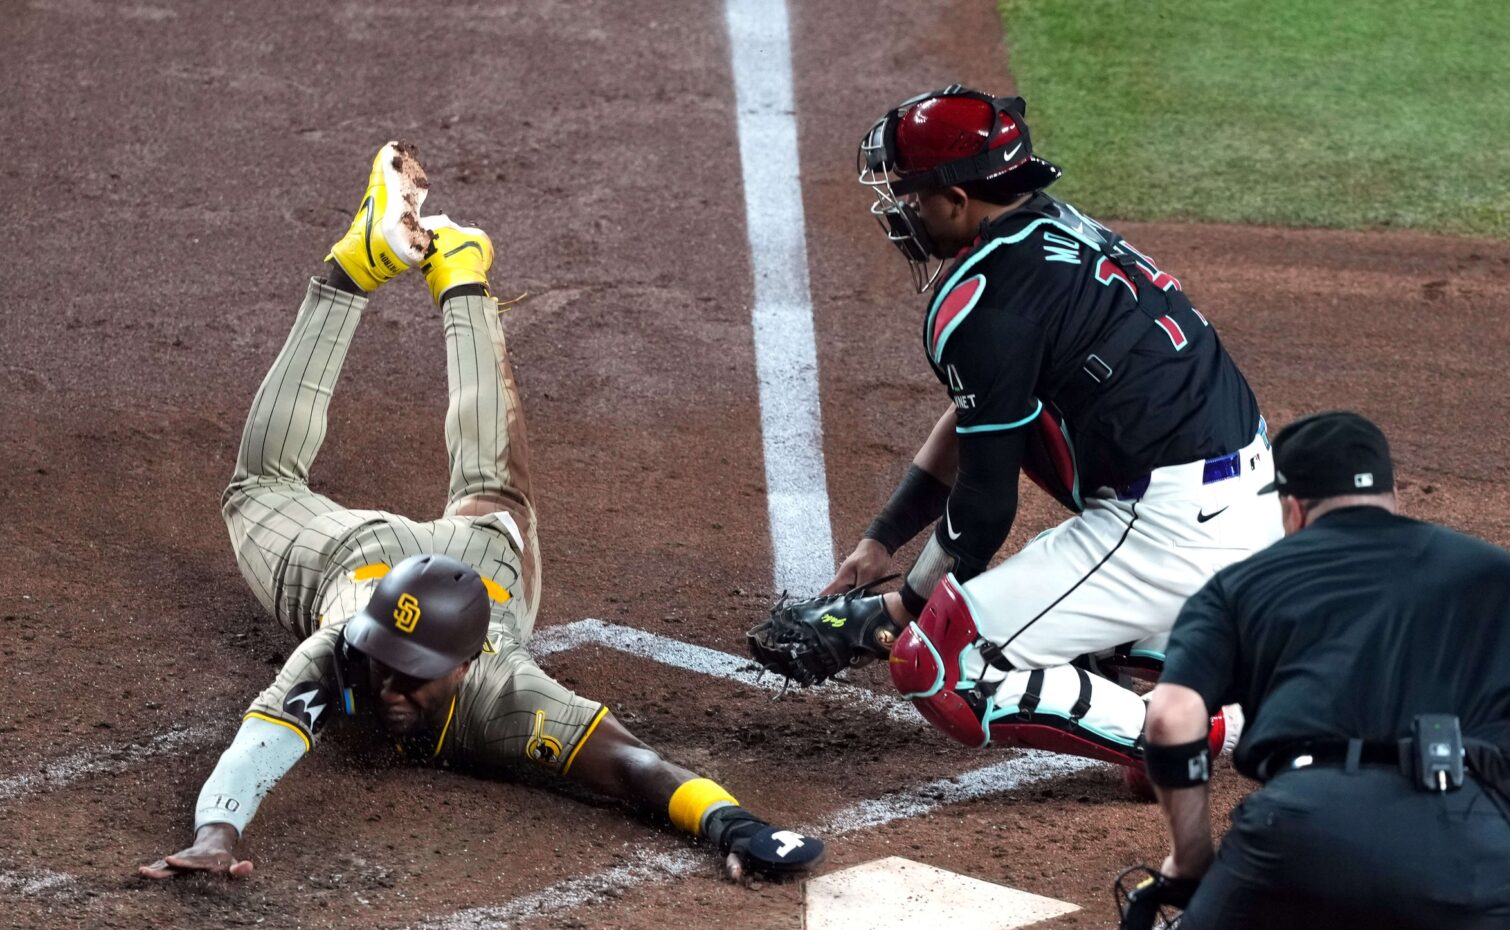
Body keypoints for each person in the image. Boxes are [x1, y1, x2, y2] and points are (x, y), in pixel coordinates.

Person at [139, 143, 823, 884]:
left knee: (491, 501)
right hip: (355, 558)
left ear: (464, 669)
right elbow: (260, 744)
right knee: (271, 485)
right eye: (386, 666)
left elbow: (632, 764)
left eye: (412, 676)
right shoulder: (344, 646)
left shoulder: (504, 695)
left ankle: (458, 269)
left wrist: (732, 822)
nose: (391, 689)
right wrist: (216, 836)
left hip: (482, 556)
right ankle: (362, 269)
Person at [749, 87, 1276, 777]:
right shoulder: (1048, 226)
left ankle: (1189, 736)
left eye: (911, 193)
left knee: (940, 661)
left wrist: (903, 608)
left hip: (1167, 530)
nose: (903, 209)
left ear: (958, 198)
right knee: (1049, 634)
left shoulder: (984, 301)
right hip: (1238, 503)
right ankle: (1158, 656)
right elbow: (982, 415)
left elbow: (986, 506)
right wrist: (884, 539)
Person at [1087, 411, 1510, 930]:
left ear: (1292, 508)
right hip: (1463, 841)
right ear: (1391, 496)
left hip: (1302, 832)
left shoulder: (1237, 587)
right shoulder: (1509, 575)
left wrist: (1193, 861)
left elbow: (1169, 719)